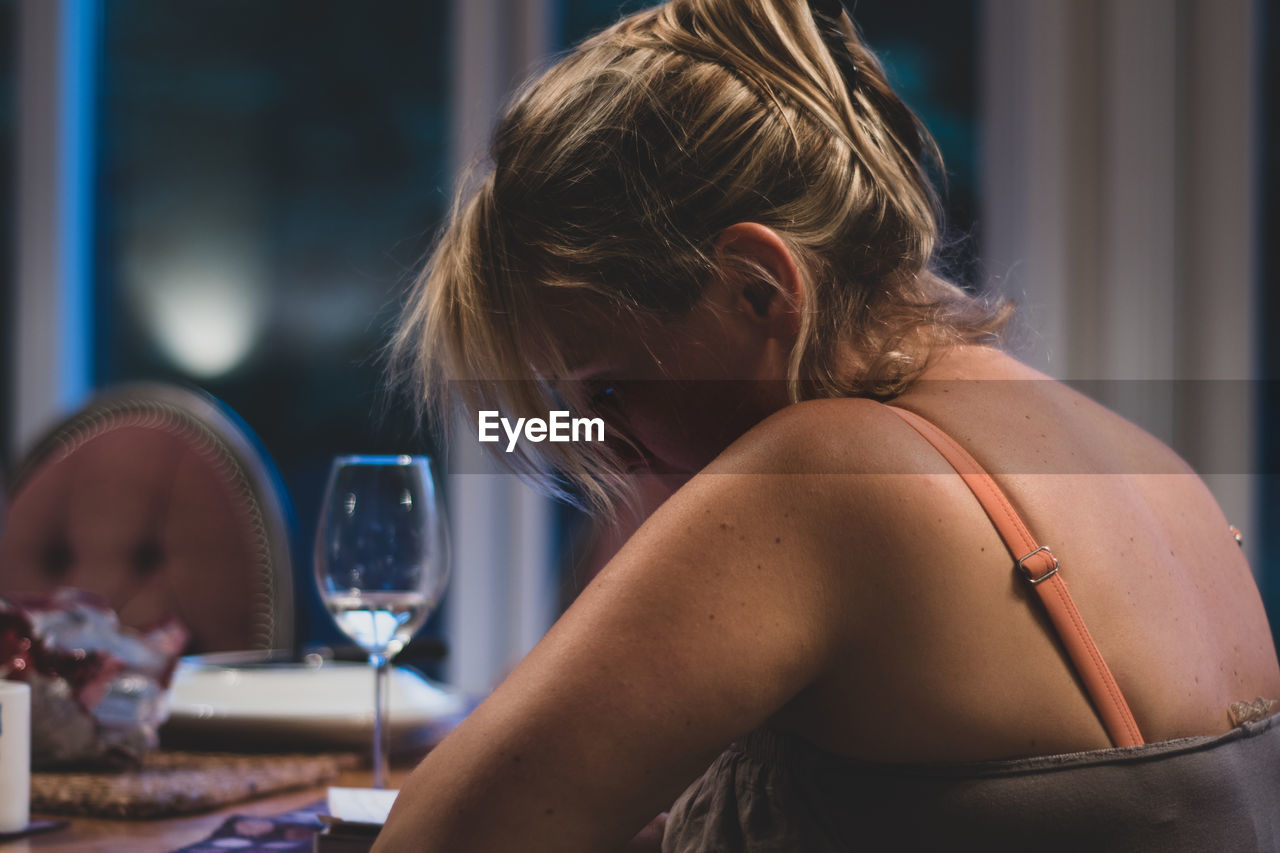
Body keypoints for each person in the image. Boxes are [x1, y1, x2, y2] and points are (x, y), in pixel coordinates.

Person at [375, 0, 1280, 849]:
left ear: (759, 287)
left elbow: (435, 839)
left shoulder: (825, 474)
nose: (604, 443)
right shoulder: (1149, 464)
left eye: (608, 389)